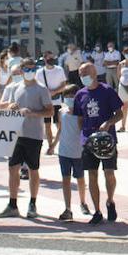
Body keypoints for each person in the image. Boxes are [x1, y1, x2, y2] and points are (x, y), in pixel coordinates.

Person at [0, 59, 54, 219]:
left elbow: (50, 112)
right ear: (21, 71)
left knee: (33, 169)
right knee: (13, 168)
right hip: (15, 134)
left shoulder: (41, 89)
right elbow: (3, 106)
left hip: (33, 134)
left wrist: (33, 113)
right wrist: (10, 107)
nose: (30, 71)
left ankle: (33, 203)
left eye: (32, 69)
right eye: (27, 69)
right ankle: (12, 204)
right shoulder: (15, 87)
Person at [73, 61, 122, 224]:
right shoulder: (80, 94)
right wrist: (83, 136)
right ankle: (97, 211)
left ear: (94, 74)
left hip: (107, 139)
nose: (82, 77)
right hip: (88, 140)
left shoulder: (107, 90)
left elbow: (119, 113)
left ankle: (110, 201)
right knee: (91, 174)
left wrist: (108, 123)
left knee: (109, 173)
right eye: (80, 74)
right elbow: (79, 118)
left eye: (85, 74)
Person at [54, 86, 91, 220]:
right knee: (65, 179)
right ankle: (67, 208)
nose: (69, 98)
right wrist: (52, 145)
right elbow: (60, 129)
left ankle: (83, 202)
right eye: (67, 95)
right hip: (64, 150)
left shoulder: (81, 113)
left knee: (80, 179)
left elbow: (83, 130)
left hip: (78, 151)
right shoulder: (61, 112)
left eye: (72, 95)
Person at [39, 52, 67, 154]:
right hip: (45, 102)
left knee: (58, 124)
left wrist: (54, 91)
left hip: (56, 101)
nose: (51, 60)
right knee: (47, 125)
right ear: (45, 59)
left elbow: (64, 85)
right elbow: (38, 87)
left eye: (52, 58)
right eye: (49, 58)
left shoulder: (59, 70)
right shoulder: (40, 72)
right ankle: (51, 146)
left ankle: (61, 144)